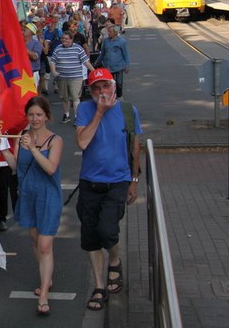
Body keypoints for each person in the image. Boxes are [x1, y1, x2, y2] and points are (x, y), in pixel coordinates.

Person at [75, 68, 142, 312]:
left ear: (114, 87)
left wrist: (134, 179)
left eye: (105, 86)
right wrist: (99, 113)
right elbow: (82, 141)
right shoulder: (84, 109)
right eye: (95, 88)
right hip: (90, 181)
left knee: (108, 230)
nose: (101, 92)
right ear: (90, 91)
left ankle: (114, 260)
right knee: (91, 236)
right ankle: (99, 285)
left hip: (117, 181)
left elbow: (135, 145)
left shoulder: (127, 110)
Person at [1, 96, 63, 316]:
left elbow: (50, 168)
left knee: (45, 245)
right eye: (31, 115)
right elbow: (17, 167)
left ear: (47, 116)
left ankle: (44, 294)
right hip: (28, 195)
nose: (35, 119)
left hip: (48, 197)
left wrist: (34, 149)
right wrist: (3, 150)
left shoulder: (55, 140)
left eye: (39, 115)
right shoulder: (21, 137)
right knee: (37, 242)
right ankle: (47, 278)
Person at [49, 32, 94, 124]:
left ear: (71, 40)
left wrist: (94, 71)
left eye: (66, 39)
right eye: (62, 38)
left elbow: (85, 62)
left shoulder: (78, 48)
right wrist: (54, 71)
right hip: (61, 77)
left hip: (75, 77)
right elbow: (52, 61)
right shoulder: (58, 49)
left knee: (75, 97)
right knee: (64, 97)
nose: (63, 40)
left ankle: (77, 117)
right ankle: (67, 115)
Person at [95, 25, 129, 98]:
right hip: (108, 66)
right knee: (110, 83)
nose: (108, 33)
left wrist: (127, 65)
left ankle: (119, 97)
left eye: (110, 32)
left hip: (118, 66)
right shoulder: (106, 41)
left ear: (115, 32)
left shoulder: (121, 41)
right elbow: (103, 53)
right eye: (108, 31)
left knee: (119, 83)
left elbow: (125, 54)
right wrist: (97, 62)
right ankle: (112, 96)